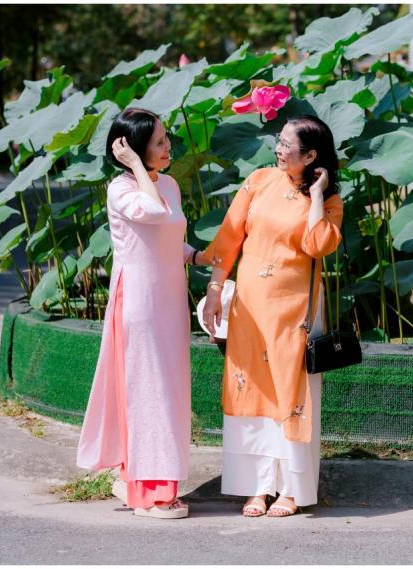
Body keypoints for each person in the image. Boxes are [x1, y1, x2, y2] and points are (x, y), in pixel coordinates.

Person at [200, 115, 343, 517]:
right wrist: (215, 292)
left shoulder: (330, 202)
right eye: (278, 141)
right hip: (250, 307)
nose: (278, 149)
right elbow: (228, 239)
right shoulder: (260, 180)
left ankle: (291, 489)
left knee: (289, 392)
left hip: (295, 311)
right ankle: (258, 486)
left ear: (311, 156)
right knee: (251, 388)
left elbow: (318, 246)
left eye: (286, 145)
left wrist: (316, 195)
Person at [77, 108, 208, 519]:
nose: (168, 147)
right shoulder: (121, 189)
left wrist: (196, 255)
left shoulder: (166, 184)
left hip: (169, 301)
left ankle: (142, 476)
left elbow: (167, 234)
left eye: (166, 139)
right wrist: (133, 165)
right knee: (148, 392)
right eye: (158, 143)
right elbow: (151, 215)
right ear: (133, 150)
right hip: (139, 303)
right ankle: (150, 492)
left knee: (169, 390)